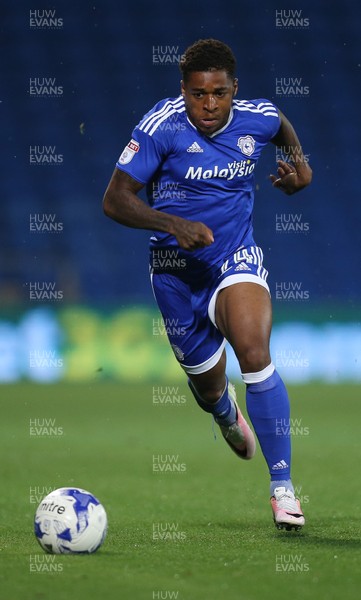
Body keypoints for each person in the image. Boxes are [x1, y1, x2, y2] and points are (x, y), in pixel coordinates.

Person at [103, 39, 312, 531]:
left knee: (255, 352)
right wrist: (171, 223)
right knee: (208, 386)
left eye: (220, 93)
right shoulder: (160, 128)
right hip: (175, 272)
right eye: (199, 95)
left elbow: (280, 124)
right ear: (184, 91)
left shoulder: (256, 117)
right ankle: (223, 413)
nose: (210, 105)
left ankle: (282, 488)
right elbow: (114, 200)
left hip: (232, 257)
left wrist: (299, 166)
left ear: (234, 90)